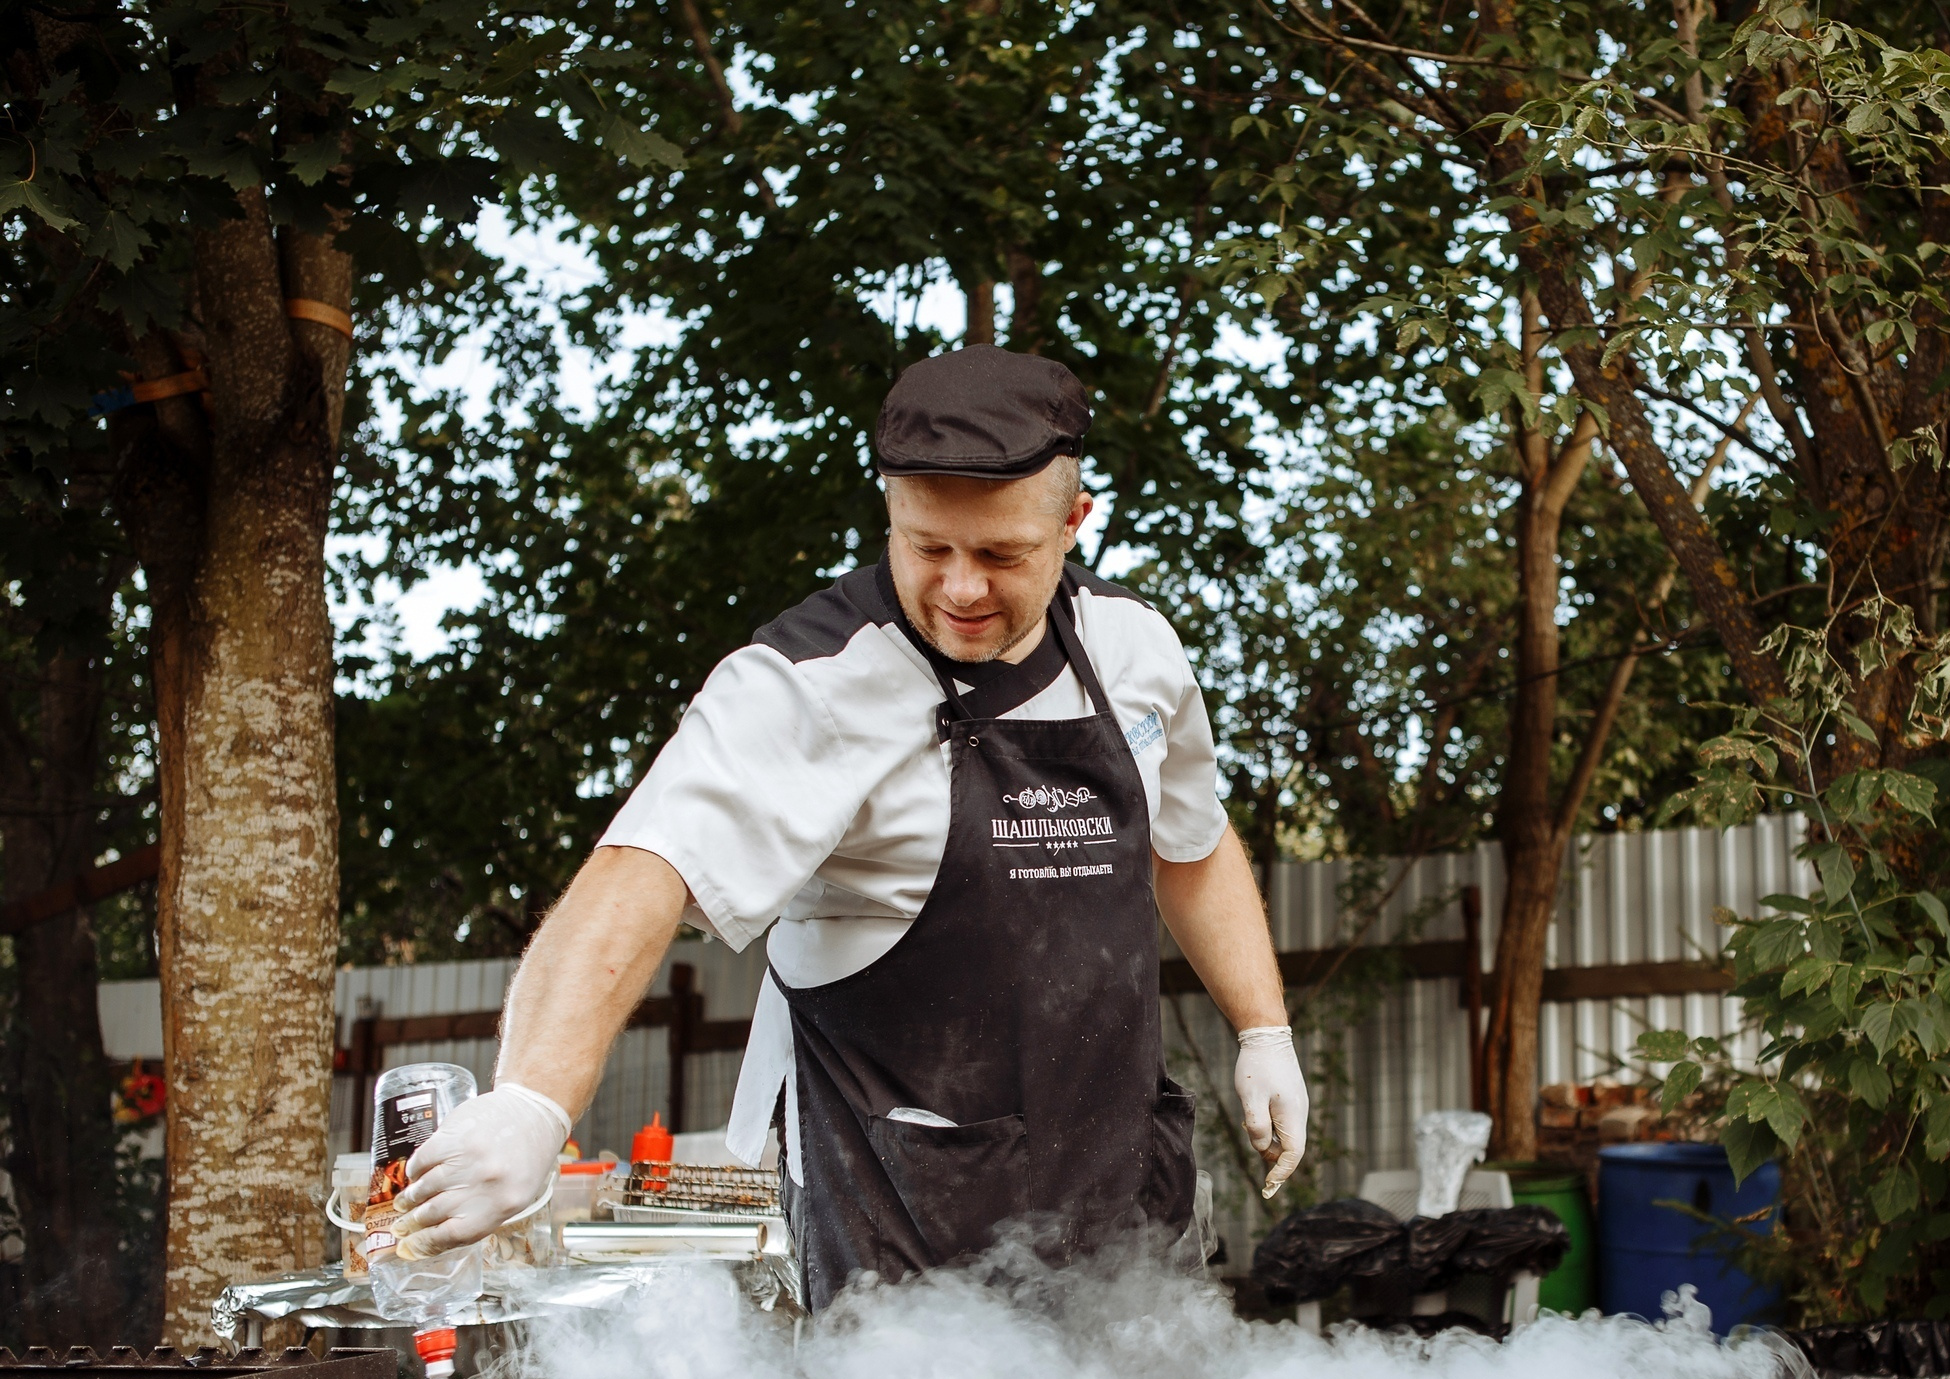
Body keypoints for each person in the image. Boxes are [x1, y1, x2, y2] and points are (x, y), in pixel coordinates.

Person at [388, 346, 1306, 1306]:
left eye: (1001, 555)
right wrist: (534, 1099)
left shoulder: (1135, 650)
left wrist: (1264, 1028)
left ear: (1074, 522)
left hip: (1119, 1183)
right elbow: (640, 869)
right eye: (926, 547)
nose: (960, 588)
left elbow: (1192, 843)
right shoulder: (806, 684)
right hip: (899, 1208)